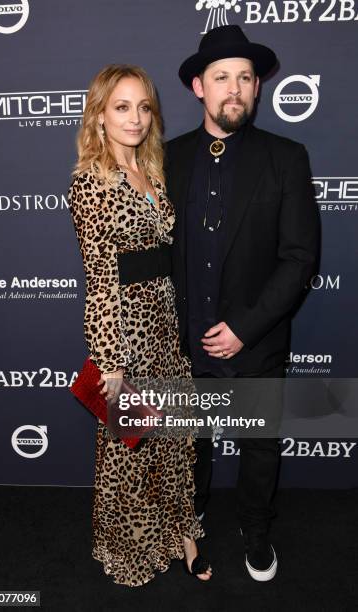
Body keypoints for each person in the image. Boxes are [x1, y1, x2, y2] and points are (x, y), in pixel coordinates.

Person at [165, 25, 320, 581]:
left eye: (245, 78)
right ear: (198, 87)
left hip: (254, 344)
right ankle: (191, 512)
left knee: (258, 446)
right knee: (192, 443)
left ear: (258, 89)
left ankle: (255, 527)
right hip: (181, 346)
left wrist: (245, 329)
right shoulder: (165, 159)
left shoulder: (287, 158)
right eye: (222, 77)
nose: (235, 89)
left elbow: (300, 258)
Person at [68, 64, 212, 586]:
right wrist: (110, 360)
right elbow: (101, 276)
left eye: (143, 107)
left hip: (165, 320)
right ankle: (129, 547)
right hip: (127, 330)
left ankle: (183, 534)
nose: (135, 118)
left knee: (173, 435)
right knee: (131, 449)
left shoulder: (151, 172)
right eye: (121, 107)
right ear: (100, 116)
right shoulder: (91, 183)